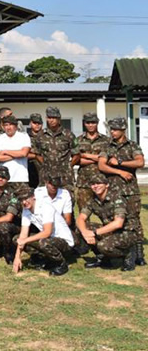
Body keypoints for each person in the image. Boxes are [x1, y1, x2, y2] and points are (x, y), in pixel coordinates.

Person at [98, 116, 145, 265]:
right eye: (111, 129)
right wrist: (120, 172)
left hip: (130, 191)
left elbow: (140, 162)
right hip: (113, 191)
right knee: (114, 220)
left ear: (123, 130)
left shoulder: (132, 145)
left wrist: (120, 162)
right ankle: (119, 251)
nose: (112, 132)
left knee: (134, 221)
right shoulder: (107, 146)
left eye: (115, 129)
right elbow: (102, 165)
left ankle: (139, 254)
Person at [77, 174, 140, 271]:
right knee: (81, 228)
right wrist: (85, 232)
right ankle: (102, 257)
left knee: (103, 246)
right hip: (111, 231)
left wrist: (93, 233)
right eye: (93, 184)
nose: (95, 186)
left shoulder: (117, 198)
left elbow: (118, 223)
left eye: (98, 183)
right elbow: (81, 218)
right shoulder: (94, 200)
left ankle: (128, 252)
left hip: (127, 232)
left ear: (106, 185)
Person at [13, 185, 73, 276]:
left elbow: (47, 232)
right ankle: (43, 258)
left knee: (43, 242)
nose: (24, 202)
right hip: (50, 240)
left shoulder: (45, 207)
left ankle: (61, 264)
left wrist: (25, 240)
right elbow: (23, 234)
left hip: (64, 242)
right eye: (21, 200)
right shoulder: (26, 210)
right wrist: (17, 257)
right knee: (16, 239)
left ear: (33, 197)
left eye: (26, 198)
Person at [35, 107, 76, 196]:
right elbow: (37, 153)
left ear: (59, 119)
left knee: (68, 199)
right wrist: (45, 164)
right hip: (46, 175)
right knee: (46, 201)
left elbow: (76, 154)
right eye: (49, 118)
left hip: (64, 176)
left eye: (54, 118)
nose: (51, 120)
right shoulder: (41, 135)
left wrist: (68, 166)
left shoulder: (68, 135)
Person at [73, 112, 108, 211]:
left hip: (102, 182)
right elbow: (76, 160)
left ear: (97, 123)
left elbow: (107, 159)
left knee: (107, 212)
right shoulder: (78, 140)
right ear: (84, 123)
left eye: (93, 122)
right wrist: (97, 159)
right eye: (88, 123)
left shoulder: (106, 140)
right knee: (84, 213)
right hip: (84, 182)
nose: (90, 125)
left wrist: (85, 155)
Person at [0, 115, 31, 194]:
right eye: (6, 125)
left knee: (22, 203)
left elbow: (24, 153)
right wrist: (16, 155)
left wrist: (5, 151)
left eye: (11, 125)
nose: (8, 127)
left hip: (20, 178)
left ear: (15, 126)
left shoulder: (24, 136)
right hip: (3, 179)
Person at [26, 113, 43, 188]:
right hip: (30, 171)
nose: (37, 125)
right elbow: (22, 154)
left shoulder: (47, 137)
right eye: (34, 123)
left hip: (44, 171)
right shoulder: (25, 137)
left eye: (39, 123)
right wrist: (35, 156)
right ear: (30, 123)